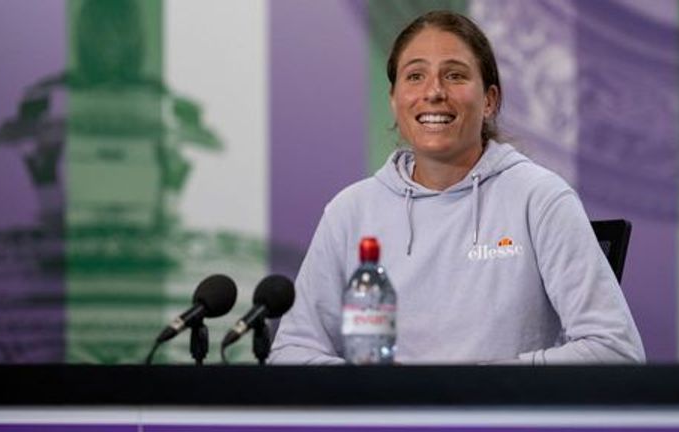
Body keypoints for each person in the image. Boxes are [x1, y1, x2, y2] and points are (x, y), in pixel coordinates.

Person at [269, 10, 645, 364]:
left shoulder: (540, 198)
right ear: (394, 100)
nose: (433, 92)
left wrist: (477, 384)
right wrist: (378, 389)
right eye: (415, 76)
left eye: (455, 75)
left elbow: (615, 349)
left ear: (489, 101)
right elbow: (291, 352)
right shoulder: (350, 211)